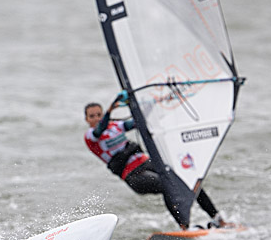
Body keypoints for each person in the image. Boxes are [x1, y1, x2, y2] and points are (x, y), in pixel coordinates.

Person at [84, 92, 227, 230]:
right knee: (167, 185)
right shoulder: (91, 136)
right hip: (133, 175)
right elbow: (99, 129)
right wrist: (110, 110)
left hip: (147, 163)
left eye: (99, 115)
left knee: (188, 180)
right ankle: (184, 227)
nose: (96, 118)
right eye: (92, 116)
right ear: (86, 119)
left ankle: (218, 218)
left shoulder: (116, 126)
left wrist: (155, 103)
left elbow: (140, 121)